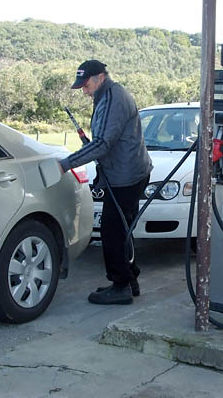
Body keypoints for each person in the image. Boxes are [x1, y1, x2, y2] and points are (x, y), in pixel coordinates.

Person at [59, 60, 152, 305]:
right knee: (122, 230)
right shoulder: (107, 95)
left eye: (86, 84)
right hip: (128, 173)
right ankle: (129, 280)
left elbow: (102, 144)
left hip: (126, 177)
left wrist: (65, 164)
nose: (84, 91)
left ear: (100, 77)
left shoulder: (112, 98)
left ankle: (120, 286)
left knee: (113, 233)